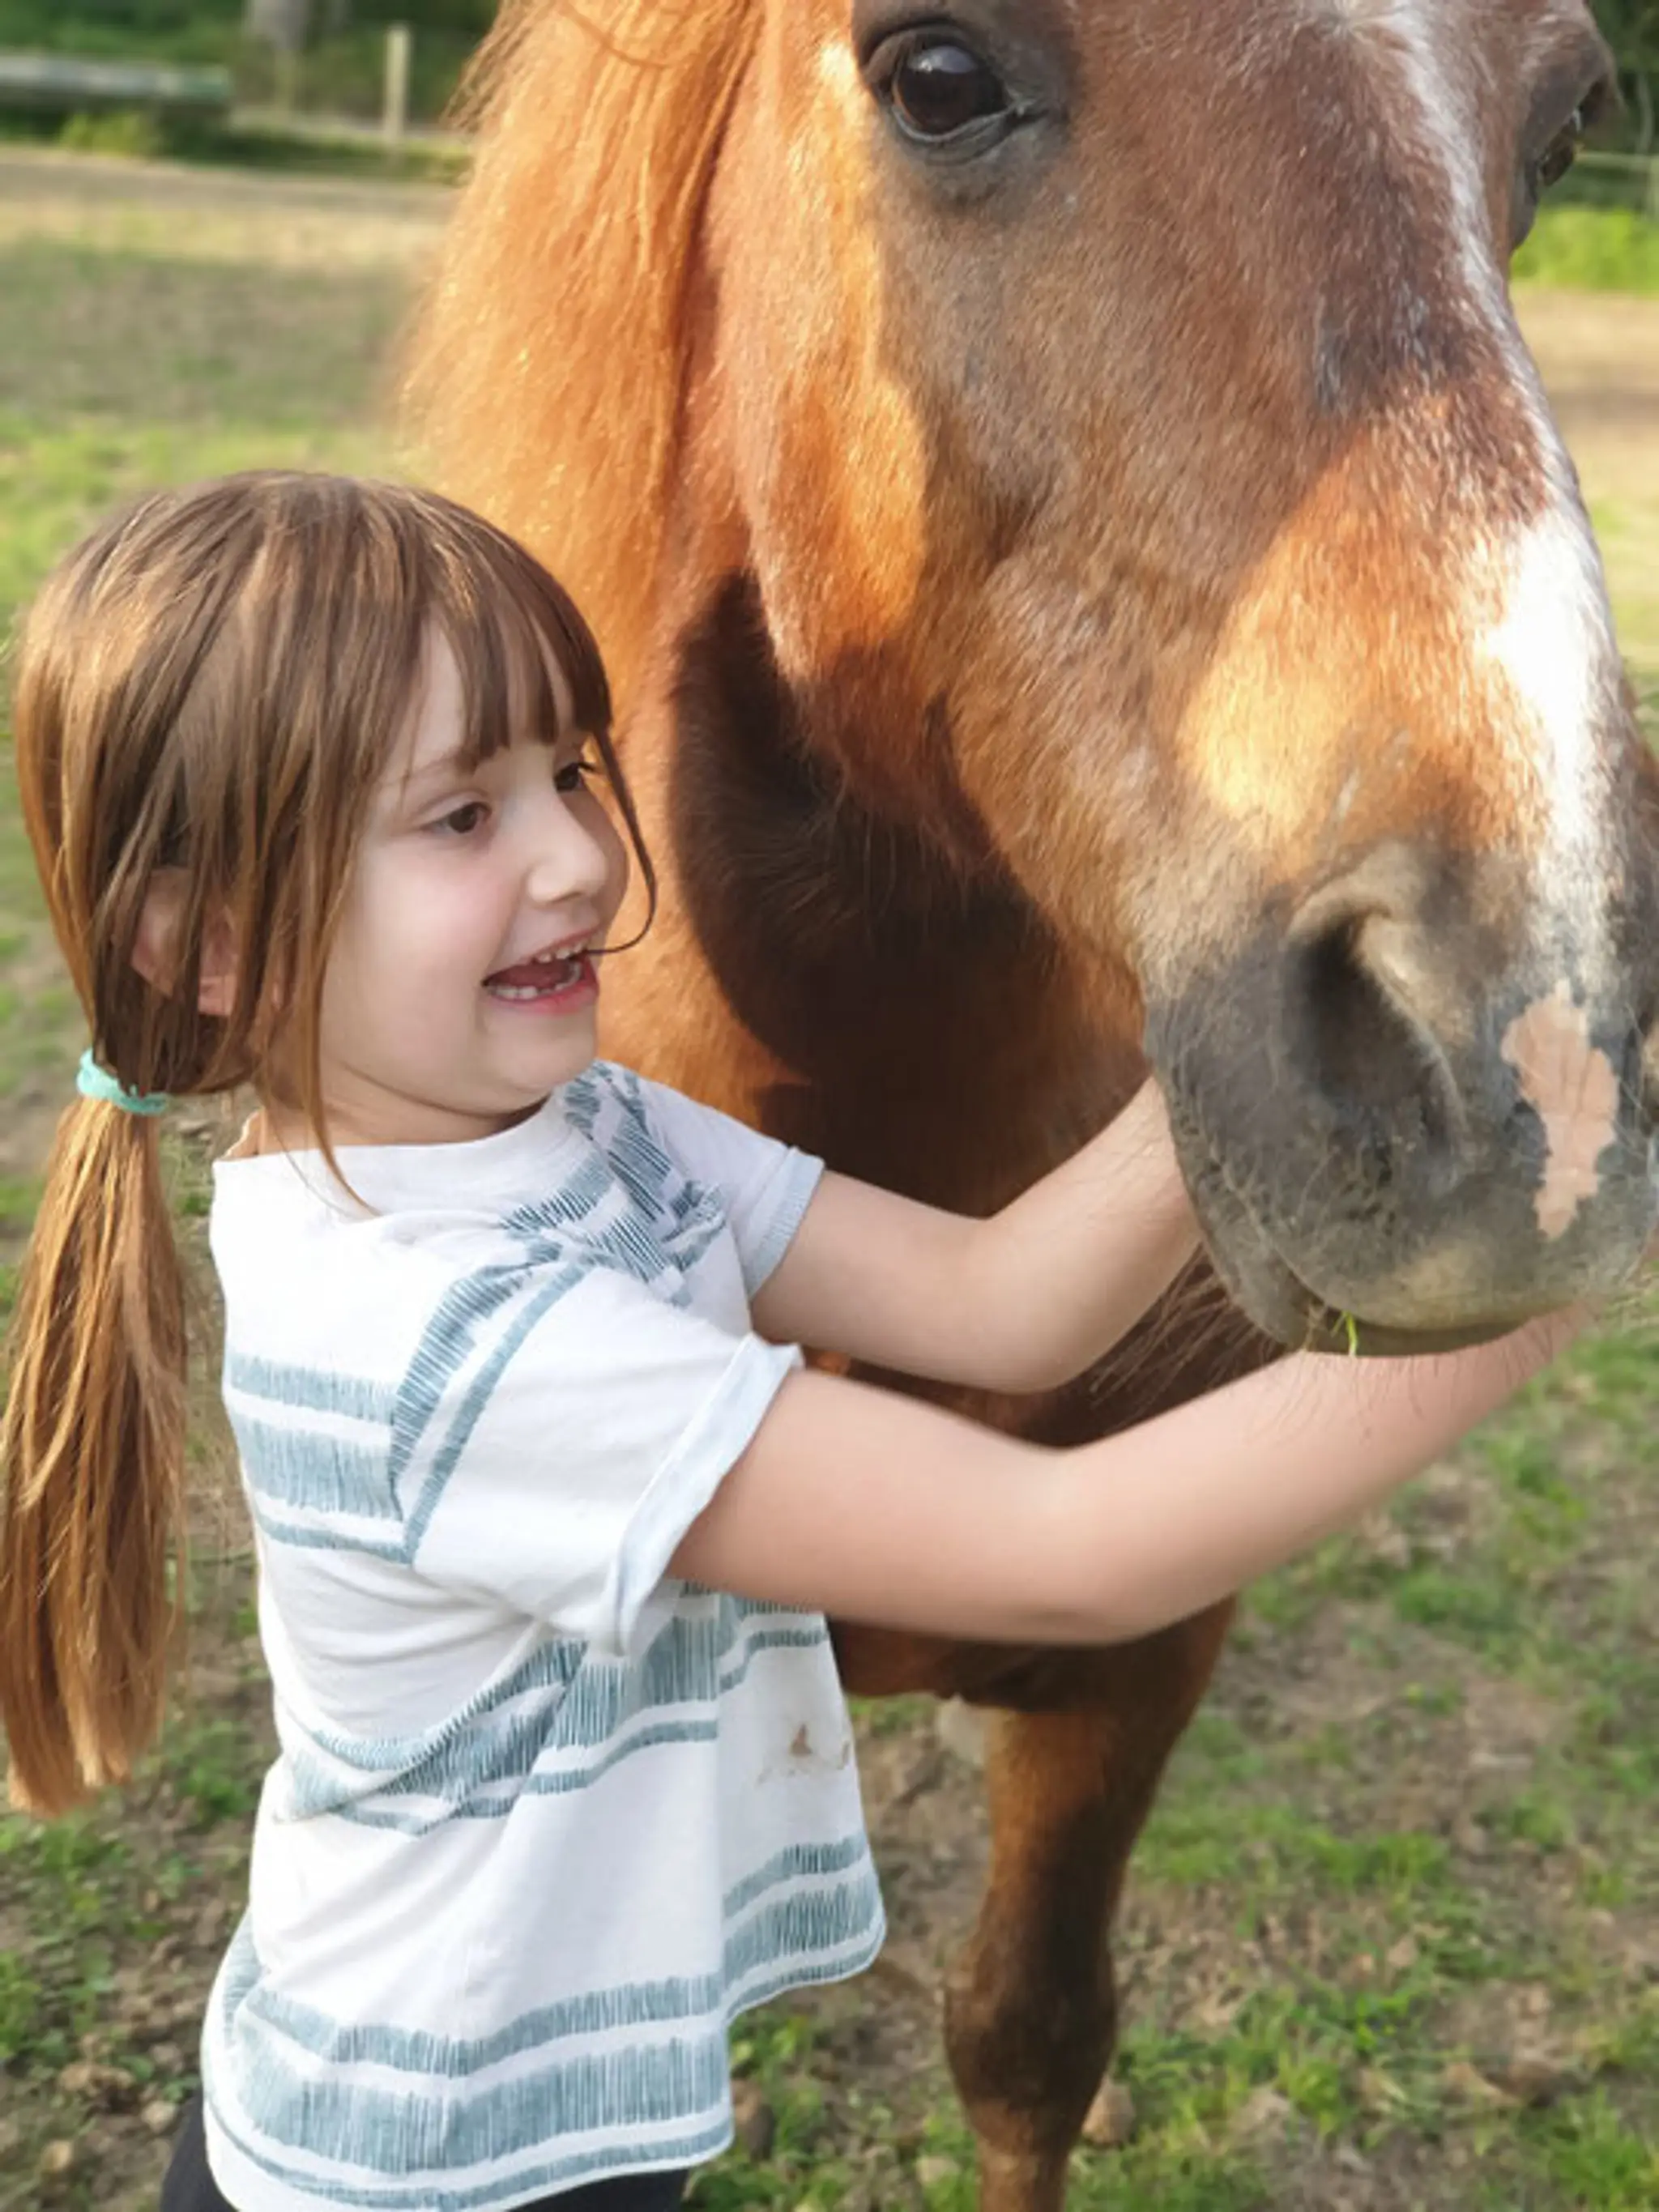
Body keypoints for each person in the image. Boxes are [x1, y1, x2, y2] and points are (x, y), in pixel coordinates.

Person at [0, 473, 1587, 2212]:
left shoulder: (577, 1126)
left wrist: (1240, 1018)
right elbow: (1069, 1552)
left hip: (559, 2120)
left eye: (568, 767)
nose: (578, 857)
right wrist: (1552, 1262)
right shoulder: (436, 1336)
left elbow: (997, 1297)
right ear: (209, 940)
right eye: (461, 817)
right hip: (422, 2174)